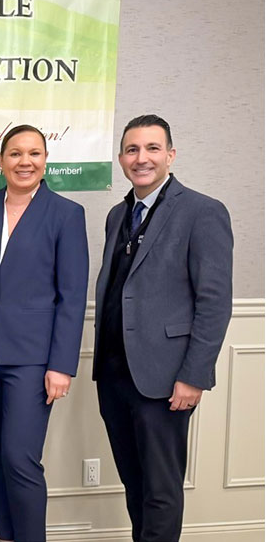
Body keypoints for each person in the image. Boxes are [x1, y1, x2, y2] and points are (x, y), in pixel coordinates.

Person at [94, 115, 233, 542]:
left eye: (153, 148)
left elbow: (214, 303)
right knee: (135, 485)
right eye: (133, 150)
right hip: (115, 376)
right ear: (121, 159)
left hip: (166, 379)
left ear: (170, 155)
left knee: (161, 491)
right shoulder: (119, 215)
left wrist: (193, 376)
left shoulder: (202, 212)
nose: (142, 158)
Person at [0, 124, 88, 542]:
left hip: (33, 362)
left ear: (45, 161)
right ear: (1, 161)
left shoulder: (66, 213)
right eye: (15, 154)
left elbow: (72, 296)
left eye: (34, 154)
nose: (25, 162)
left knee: (20, 458)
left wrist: (62, 366)